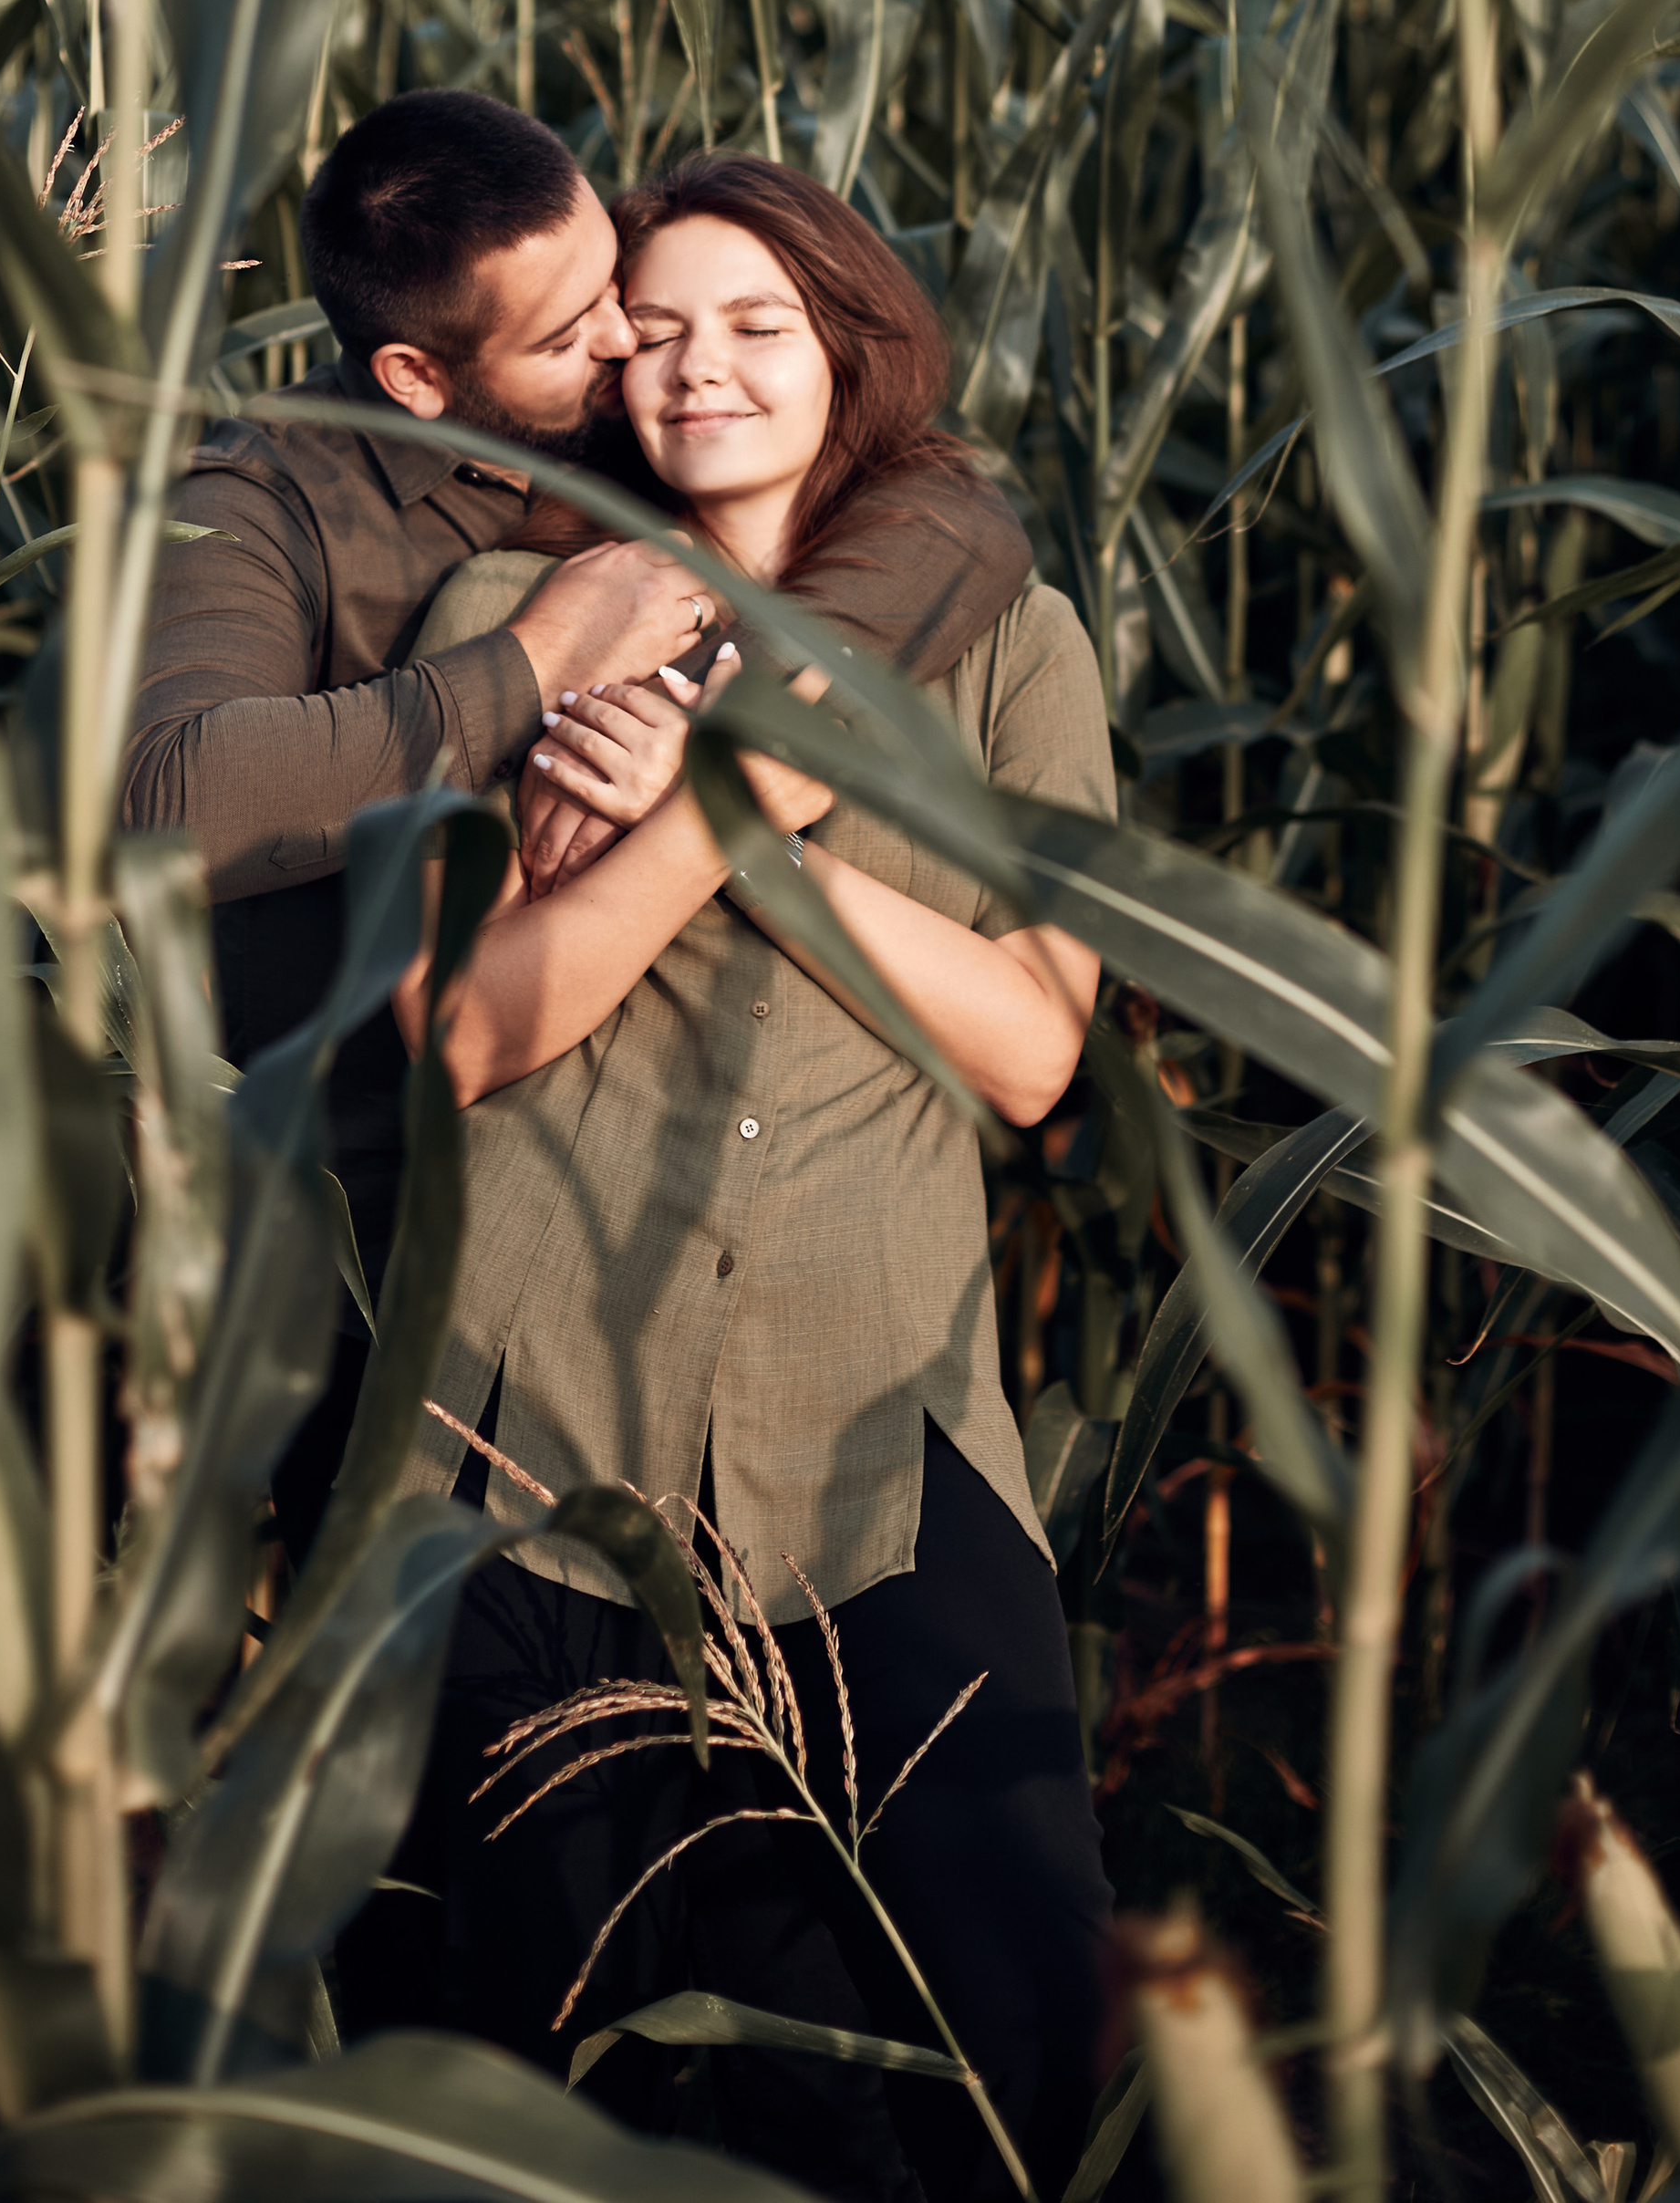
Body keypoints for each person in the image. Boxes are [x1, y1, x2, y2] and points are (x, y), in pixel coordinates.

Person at [394, 153, 1118, 2203]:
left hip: (879, 1425)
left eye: (758, 326)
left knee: (1011, 2038)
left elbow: (1032, 1047)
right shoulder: (509, 628)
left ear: (846, 353)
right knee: (557, 2074)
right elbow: (472, 1028)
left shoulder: (1007, 654)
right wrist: (703, 828)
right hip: (541, 1439)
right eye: (659, 329)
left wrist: (738, 824)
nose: (700, 366)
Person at [120, 90, 1032, 1547]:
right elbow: (182, 799)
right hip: (347, 1222)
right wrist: (536, 661)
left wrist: (719, 735)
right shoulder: (270, 497)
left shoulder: (633, 412)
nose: (626, 343)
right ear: (419, 375)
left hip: (624, 1231)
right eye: (569, 333)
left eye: (612, 286)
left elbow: (955, 521)